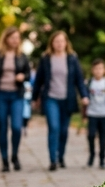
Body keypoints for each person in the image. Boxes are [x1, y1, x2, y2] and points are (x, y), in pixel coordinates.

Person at [33, 31, 89, 171]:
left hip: (67, 99)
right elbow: (39, 80)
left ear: (66, 43)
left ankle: (60, 156)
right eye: (56, 41)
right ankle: (53, 160)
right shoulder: (46, 58)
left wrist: (84, 95)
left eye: (61, 41)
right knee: (54, 127)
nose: (59, 44)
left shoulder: (72, 58)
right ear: (52, 43)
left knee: (64, 130)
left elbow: (79, 79)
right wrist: (34, 98)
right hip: (51, 98)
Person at [0, 27, 30, 172]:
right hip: (0, 95)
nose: (15, 40)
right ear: (6, 38)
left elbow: (28, 73)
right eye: (12, 37)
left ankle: (14, 155)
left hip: (16, 95)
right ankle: (4, 160)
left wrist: (23, 77)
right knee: (2, 128)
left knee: (16, 127)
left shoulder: (22, 56)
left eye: (17, 38)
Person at [85, 59, 105, 168]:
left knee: (103, 137)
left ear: (104, 70)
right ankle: (92, 155)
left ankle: (102, 159)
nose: (98, 71)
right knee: (91, 135)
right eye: (96, 69)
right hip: (92, 113)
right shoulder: (89, 83)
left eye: (100, 68)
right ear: (92, 70)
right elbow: (85, 100)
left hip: (104, 114)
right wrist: (84, 115)